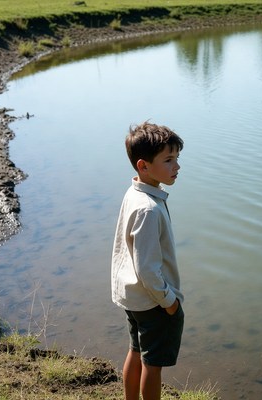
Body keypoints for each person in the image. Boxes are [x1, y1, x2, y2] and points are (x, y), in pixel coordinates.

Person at [111, 121, 185, 400]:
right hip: (153, 300)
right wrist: (169, 302)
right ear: (143, 166)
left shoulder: (136, 192)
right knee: (153, 366)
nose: (176, 166)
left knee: (136, 350)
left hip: (133, 295)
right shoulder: (149, 209)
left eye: (177, 158)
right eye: (168, 160)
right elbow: (148, 269)